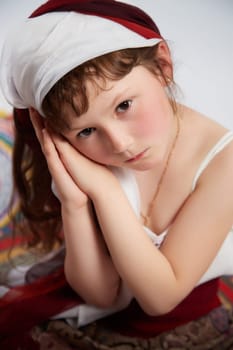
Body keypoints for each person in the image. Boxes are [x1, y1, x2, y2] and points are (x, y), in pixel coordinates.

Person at [0, 0, 233, 348]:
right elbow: (101, 293)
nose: (120, 145)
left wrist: (106, 191)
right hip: (106, 317)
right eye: (86, 130)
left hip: (194, 324)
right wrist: (75, 202)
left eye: (124, 105)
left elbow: (160, 298)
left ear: (162, 65)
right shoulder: (86, 155)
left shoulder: (223, 161)